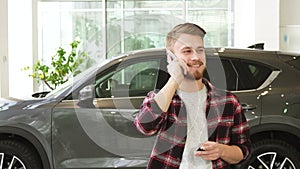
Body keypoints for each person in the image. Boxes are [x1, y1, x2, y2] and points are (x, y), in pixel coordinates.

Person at [134, 23, 251, 169]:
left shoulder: (228, 101)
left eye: (200, 50)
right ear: (171, 57)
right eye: (187, 51)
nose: (196, 57)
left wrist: (222, 150)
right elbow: (145, 127)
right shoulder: (162, 99)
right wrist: (174, 79)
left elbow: (243, 152)